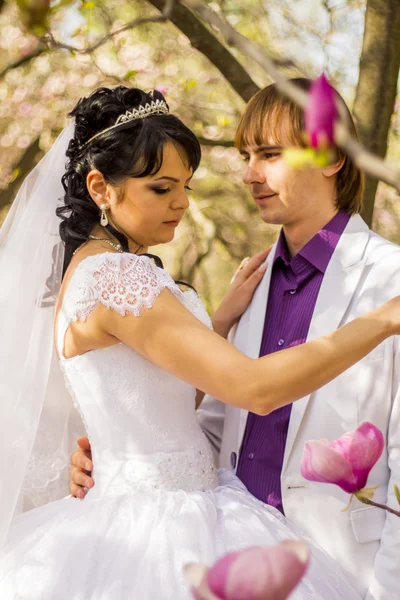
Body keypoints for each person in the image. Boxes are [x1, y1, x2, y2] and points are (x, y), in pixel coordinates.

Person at [0, 85, 399, 600]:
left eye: (271, 155)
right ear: (100, 188)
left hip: (347, 571)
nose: (250, 174)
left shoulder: (386, 279)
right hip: (202, 549)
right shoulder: (135, 279)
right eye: (246, 156)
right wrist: (129, 455)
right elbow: (241, 403)